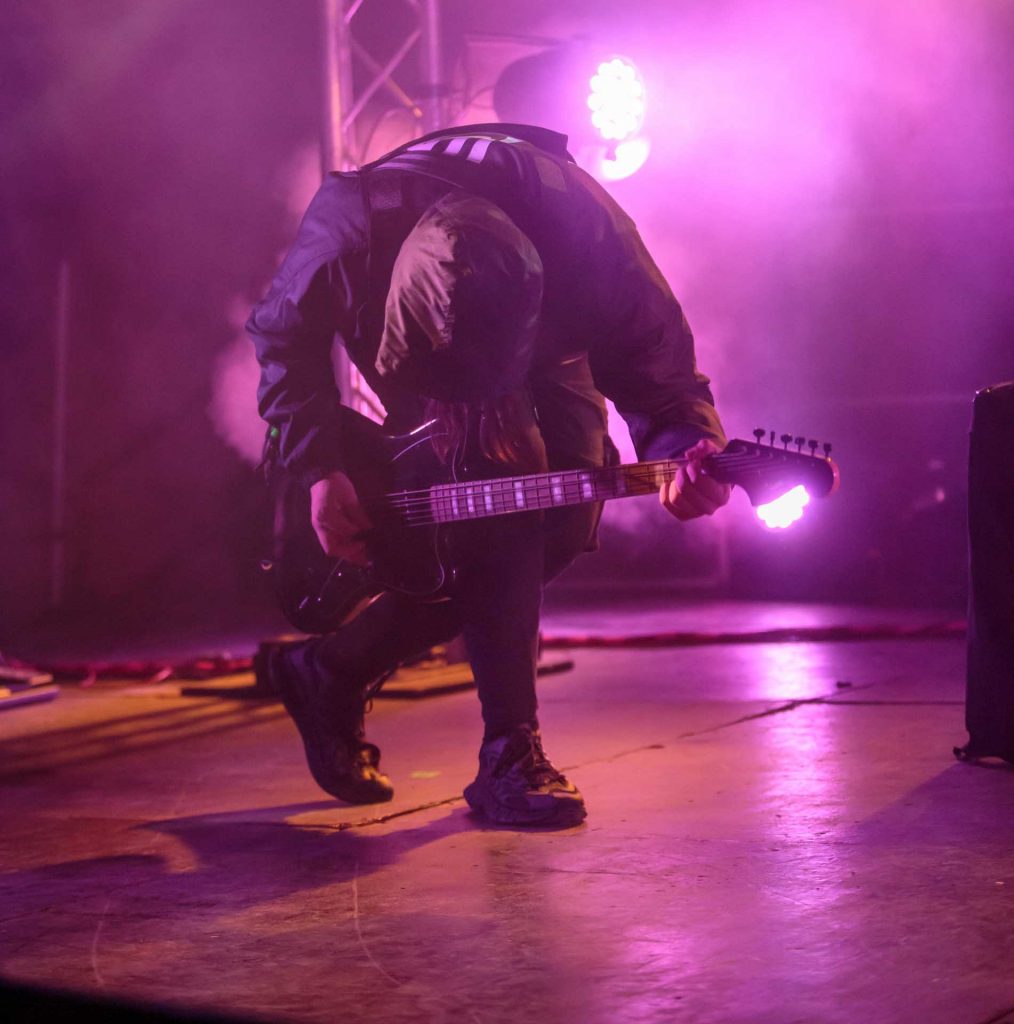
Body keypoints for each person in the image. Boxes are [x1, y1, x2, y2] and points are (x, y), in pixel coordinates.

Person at [247, 123, 730, 827]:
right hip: (418, 339)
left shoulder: (589, 242)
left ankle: (334, 670)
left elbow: (660, 369)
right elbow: (281, 339)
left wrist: (688, 448)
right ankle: (510, 748)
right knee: (486, 515)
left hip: (547, 346)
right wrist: (320, 467)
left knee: (560, 518)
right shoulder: (349, 226)